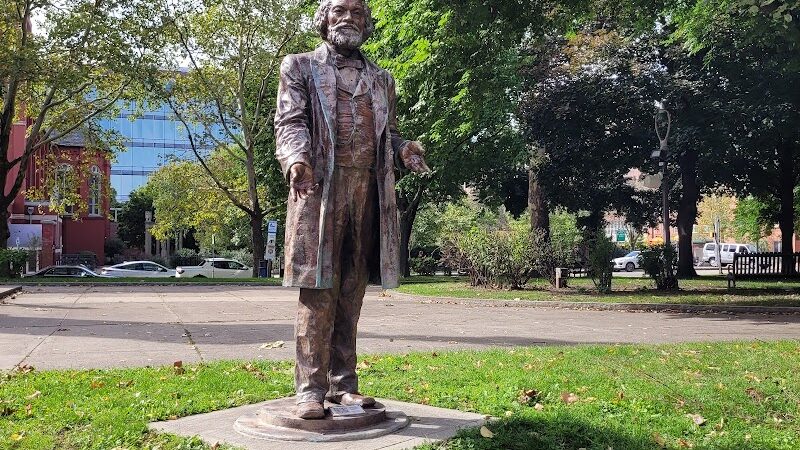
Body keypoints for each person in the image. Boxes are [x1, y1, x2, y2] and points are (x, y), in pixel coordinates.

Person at [274, 0, 429, 419]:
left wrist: (403, 149)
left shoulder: (382, 80)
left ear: (367, 23)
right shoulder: (300, 66)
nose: (348, 19)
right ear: (324, 19)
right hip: (319, 188)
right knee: (317, 289)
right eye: (339, 11)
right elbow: (290, 122)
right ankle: (310, 389)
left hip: (367, 190)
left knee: (351, 290)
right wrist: (296, 160)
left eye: (357, 13)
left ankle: (344, 385)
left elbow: (389, 134)